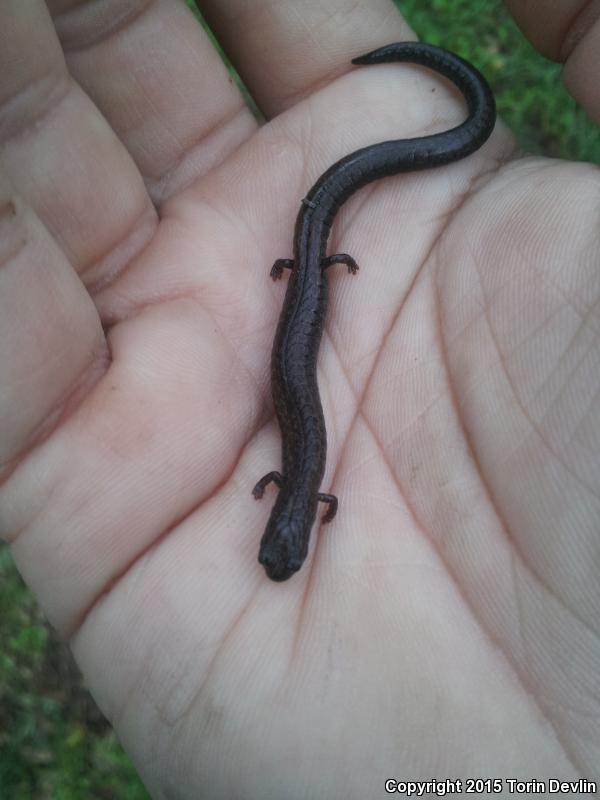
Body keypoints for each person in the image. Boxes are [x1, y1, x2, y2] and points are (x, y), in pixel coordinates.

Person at [0, 0, 598, 795]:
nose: (280, 544)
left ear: (291, 514)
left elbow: (299, 471)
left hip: (312, 256)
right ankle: (334, 241)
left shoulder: (310, 487)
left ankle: (363, 207)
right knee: (309, 288)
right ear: (301, 523)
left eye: (273, 540)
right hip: (311, 262)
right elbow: (293, 467)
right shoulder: (303, 486)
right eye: (285, 548)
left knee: (312, 274)